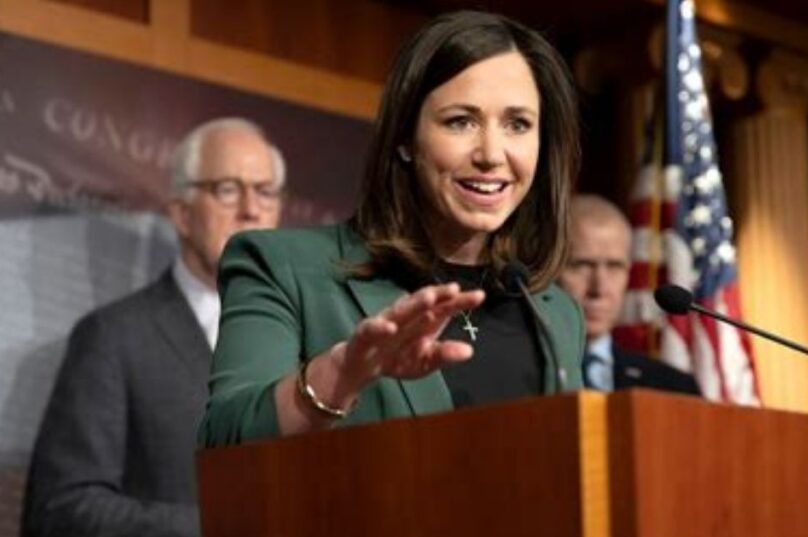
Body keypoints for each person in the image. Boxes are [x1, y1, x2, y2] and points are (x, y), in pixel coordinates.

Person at [199, 10, 584, 447]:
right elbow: (224, 446)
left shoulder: (554, 312)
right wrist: (340, 375)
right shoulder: (283, 267)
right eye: (461, 121)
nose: (492, 153)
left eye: (518, 124)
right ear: (404, 137)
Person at [22, 118, 285, 537]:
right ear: (181, 214)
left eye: (266, 191)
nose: (252, 209)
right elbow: (61, 510)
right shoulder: (114, 338)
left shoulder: (309, 348)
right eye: (228, 190)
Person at [558, 194, 700, 395]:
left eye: (615, 266)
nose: (599, 289)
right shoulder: (514, 375)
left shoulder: (673, 388)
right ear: (549, 270)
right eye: (582, 265)